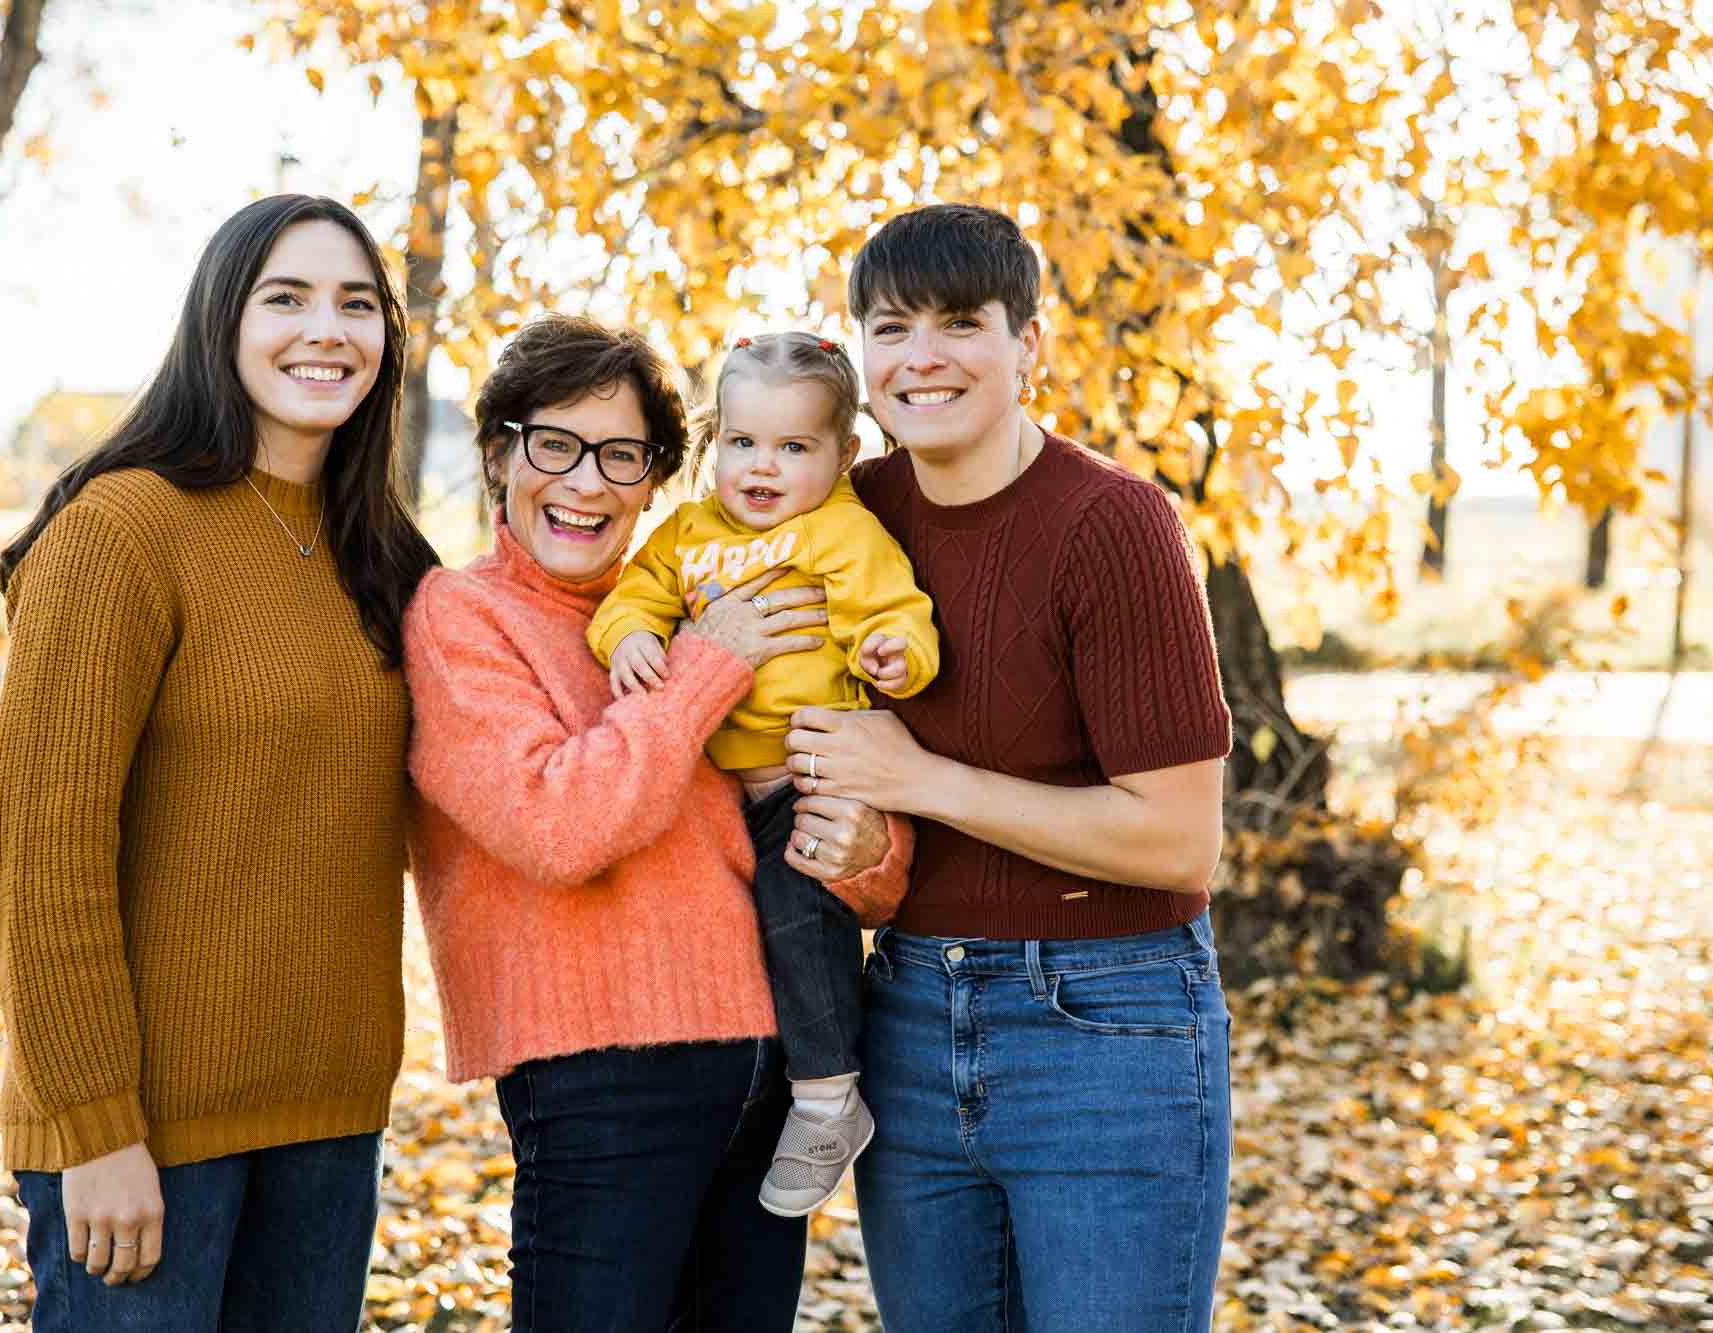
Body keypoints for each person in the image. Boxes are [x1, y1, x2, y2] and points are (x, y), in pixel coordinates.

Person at [0, 194, 437, 1333]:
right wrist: (95, 1125)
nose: (325, 330)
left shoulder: (381, 553)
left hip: (328, 1129)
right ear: (219, 320)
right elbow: (36, 855)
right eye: (286, 298)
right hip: (147, 1138)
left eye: (356, 303)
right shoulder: (123, 530)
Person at [399, 314, 913, 1331]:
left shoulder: (707, 599)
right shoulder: (463, 616)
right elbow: (558, 826)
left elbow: (825, 836)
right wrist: (703, 665)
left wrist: (870, 854)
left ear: (656, 477)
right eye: (554, 445)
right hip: (599, 1086)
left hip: (771, 1068)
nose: (585, 483)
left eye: (620, 455)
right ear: (499, 453)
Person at [783, 203, 1236, 1332]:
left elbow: (1177, 839)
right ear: (859, 358)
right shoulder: (850, 515)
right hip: (906, 1012)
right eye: (890, 328)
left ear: (1028, 345)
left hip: (1105, 1023)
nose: (920, 357)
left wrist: (917, 780)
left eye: (958, 323)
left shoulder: (1113, 524)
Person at [585, 330, 939, 1217]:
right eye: (742, 442)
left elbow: (896, 613)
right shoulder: (689, 531)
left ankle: (828, 1095)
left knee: (797, 906)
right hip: (716, 789)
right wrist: (627, 633)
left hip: (807, 775)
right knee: (738, 935)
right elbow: (635, 594)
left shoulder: (842, 532)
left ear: (844, 454)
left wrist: (898, 653)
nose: (763, 466)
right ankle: (771, 1088)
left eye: (793, 446)